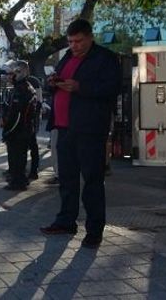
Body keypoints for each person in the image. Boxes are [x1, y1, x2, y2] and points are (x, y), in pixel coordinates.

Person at [40, 18, 121, 250]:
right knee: (67, 179)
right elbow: (56, 84)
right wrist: (53, 83)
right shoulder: (67, 56)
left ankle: (94, 231)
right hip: (64, 128)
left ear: (89, 37)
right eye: (70, 41)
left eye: (78, 41)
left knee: (93, 181)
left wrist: (79, 87)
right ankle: (66, 221)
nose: (74, 46)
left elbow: (111, 89)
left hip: (90, 129)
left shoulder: (104, 58)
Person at [2, 60, 38, 191]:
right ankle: (20, 179)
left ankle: (18, 182)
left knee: (16, 157)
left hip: (19, 130)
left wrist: (8, 130)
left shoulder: (21, 89)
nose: (9, 76)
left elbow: (16, 115)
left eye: (11, 73)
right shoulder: (26, 87)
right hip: (25, 129)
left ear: (19, 73)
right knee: (20, 156)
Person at [26, 74, 43, 180]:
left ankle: (33, 169)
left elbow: (39, 101)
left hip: (31, 117)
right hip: (30, 117)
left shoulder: (33, 81)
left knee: (32, 144)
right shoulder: (34, 81)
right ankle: (32, 169)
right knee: (32, 145)